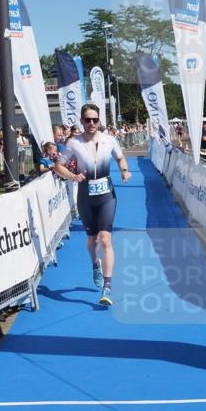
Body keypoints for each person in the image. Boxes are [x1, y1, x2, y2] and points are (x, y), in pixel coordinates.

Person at [52, 102, 130, 306]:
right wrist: (73, 176)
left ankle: (107, 287)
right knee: (92, 240)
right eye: (88, 120)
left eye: (95, 119)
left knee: (105, 239)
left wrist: (124, 171)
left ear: (99, 120)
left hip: (107, 196)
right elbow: (58, 166)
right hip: (86, 197)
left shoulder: (109, 140)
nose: (92, 123)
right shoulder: (73, 143)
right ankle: (95, 264)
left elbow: (121, 158)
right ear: (82, 121)